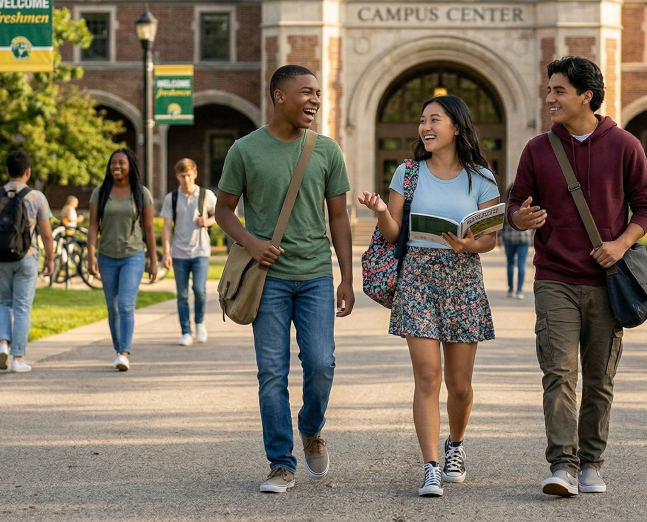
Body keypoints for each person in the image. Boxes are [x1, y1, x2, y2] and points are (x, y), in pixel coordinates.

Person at [508, 56, 647, 497]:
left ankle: (591, 462)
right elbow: (515, 205)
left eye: (559, 91)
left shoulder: (625, 145)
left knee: (599, 378)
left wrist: (621, 243)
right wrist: (521, 218)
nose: (549, 98)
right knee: (558, 372)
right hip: (554, 276)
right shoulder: (537, 149)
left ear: (585, 96)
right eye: (549, 90)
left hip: (607, 281)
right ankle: (563, 465)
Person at [214, 65, 354, 494]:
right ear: (279, 96)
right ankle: (280, 463)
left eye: (318, 93)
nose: (315, 100)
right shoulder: (244, 150)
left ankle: (311, 427)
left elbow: (338, 218)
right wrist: (251, 243)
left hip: (315, 276)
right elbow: (223, 210)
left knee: (321, 364)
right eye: (306, 92)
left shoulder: (327, 151)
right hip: (268, 280)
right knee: (272, 373)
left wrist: (347, 277)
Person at [358, 95, 500, 498]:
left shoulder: (481, 178)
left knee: (459, 385)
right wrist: (381, 210)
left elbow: (490, 238)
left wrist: (470, 245)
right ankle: (431, 467)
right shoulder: (407, 173)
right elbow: (392, 233)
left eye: (434, 119)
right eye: (422, 120)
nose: (425, 127)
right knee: (427, 377)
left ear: (456, 126)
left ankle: (455, 445)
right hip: (417, 277)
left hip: (462, 278)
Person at [0, 151, 55, 373]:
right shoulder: (36, 197)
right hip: (26, 257)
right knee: (22, 306)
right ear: (28, 172)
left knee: (5, 302)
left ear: (7, 171)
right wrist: (50, 259)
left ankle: (3, 343)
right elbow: (46, 234)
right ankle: (18, 358)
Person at [87, 148, 158, 372]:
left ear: (130, 167)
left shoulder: (141, 193)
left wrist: (153, 260)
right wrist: (90, 254)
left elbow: (149, 229)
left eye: (121, 163)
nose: (116, 167)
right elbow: (93, 226)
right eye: (113, 163)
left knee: (125, 304)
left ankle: (124, 353)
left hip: (133, 255)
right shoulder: (100, 193)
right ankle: (119, 349)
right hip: (106, 256)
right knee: (113, 307)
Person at [161, 158, 218, 347]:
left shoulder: (206, 195)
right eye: (182, 176)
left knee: (200, 290)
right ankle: (186, 331)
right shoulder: (172, 198)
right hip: (179, 253)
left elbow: (221, 213)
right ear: (177, 176)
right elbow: (166, 227)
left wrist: (207, 221)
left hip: (200, 250)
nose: (186, 179)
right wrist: (166, 253)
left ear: (195, 174)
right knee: (182, 294)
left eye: (188, 175)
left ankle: (200, 324)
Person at [501, 184, 534, 300]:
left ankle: (511, 289)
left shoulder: (505, 206)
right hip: (524, 238)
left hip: (509, 238)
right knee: (521, 264)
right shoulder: (527, 206)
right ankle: (519, 290)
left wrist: (499, 236)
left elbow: (501, 224)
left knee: (510, 263)